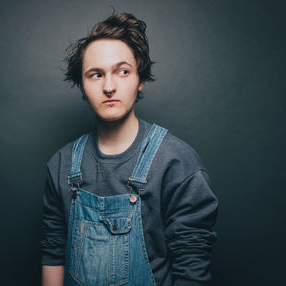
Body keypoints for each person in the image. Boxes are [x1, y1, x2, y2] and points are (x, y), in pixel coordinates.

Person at [41, 12, 218, 286]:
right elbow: (53, 253)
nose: (109, 86)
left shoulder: (177, 163)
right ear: (82, 85)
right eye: (96, 74)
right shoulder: (61, 165)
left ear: (140, 79)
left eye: (122, 71)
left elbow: (192, 268)